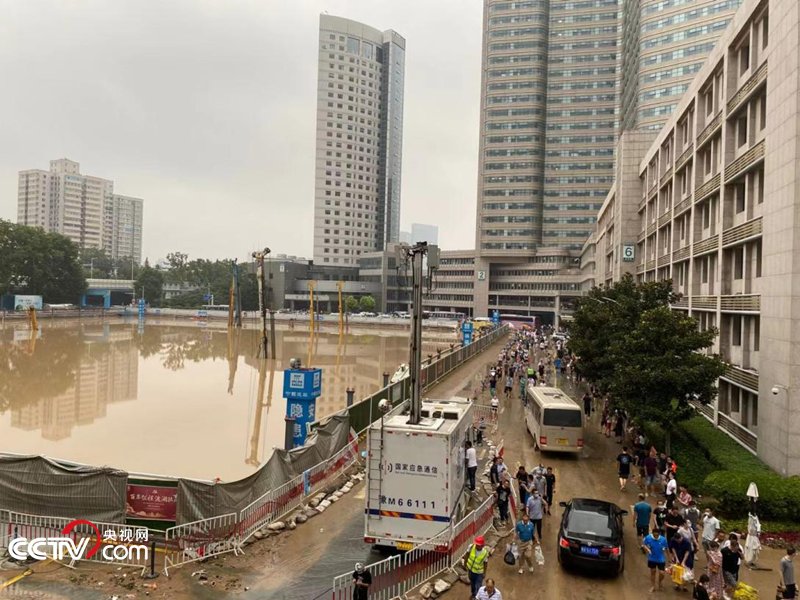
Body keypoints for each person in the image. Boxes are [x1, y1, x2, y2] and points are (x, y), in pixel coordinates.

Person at [642, 528, 669, 593]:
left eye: (657, 535)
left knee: (662, 573)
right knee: (653, 572)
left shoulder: (663, 539)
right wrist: (647, 549)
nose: (656, 536)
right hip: (652, 558)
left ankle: (660, 582)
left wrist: (670, 558)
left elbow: (666, 548)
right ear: (652, 533)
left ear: (659, 534)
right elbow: (644, 545)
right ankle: (653, 586)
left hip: (661, 559)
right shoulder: (648, 538)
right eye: (654, 535)